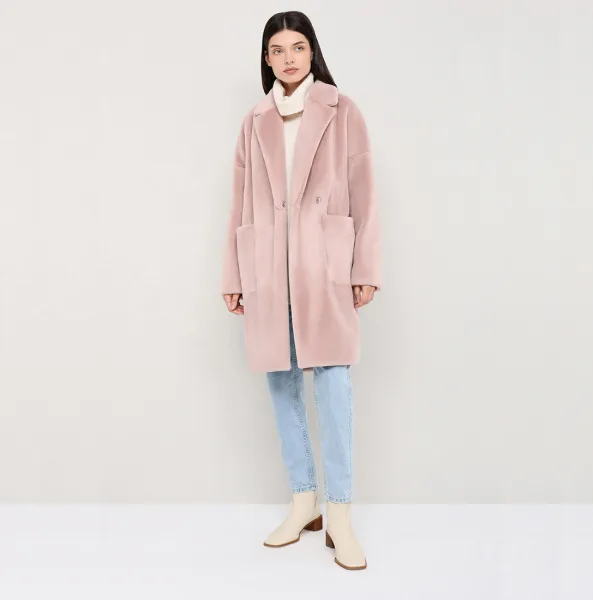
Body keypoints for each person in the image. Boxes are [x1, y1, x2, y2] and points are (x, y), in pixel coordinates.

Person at [220, 11, 382, 571]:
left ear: (312, 51)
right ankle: (303, 501)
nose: (288, 58)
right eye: (277, 49)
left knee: (334, 385)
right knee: (282, 383)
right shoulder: (255, 120)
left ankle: (340, 514)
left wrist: (364, 266)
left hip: (323, 265)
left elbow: (364, 192)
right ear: (266, 59)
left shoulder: (342, 110)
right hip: (268, 268)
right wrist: (234, 273)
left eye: (298, 47)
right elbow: (240, 200)